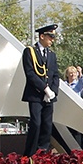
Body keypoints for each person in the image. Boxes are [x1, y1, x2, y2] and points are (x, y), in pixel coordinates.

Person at [22, 24, 60, 156]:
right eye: (50, 37)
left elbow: (55, 75)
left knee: (47, 125)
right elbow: (30, 73)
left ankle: (42, 153)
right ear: (42, 36)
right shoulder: (30, 52)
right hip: (36, 95)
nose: (52, 40)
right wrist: (45, 89)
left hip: (49, 96)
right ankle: (30, 154)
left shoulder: (52, 55)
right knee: (36, 124)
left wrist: (53, 91)